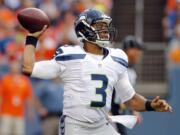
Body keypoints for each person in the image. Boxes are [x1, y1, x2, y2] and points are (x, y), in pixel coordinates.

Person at [22, 9, 172, 135]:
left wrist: (150, 105)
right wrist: (31, 39)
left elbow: (130, 99)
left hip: (102, 125)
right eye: (99, 26)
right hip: (75, 126)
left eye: (106, 26)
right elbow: (29, 68)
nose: (105, 30)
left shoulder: (117, 58)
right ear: (84, 29)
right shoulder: (69, 55)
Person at [111, 36, 144, 135]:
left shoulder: (132, 73)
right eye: (138, 49)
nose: (140, 53)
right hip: (110, 112)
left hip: (119, 112)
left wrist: (133, 111)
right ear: (130, 50)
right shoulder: (115, 65)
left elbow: (127, 96)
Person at [0, 60, 34, 135]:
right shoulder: (5, 79)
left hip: (19, 114)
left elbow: (29, 97)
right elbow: (1, 96)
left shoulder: (25, 81)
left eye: (16, 66)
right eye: (13, 66)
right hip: (6, 112)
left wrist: (30, 111)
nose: (15, 68)